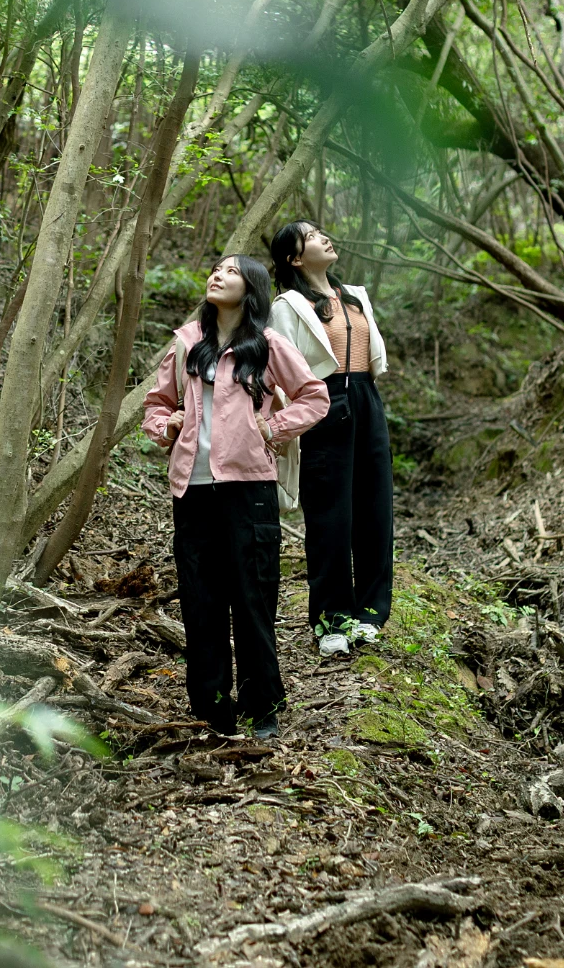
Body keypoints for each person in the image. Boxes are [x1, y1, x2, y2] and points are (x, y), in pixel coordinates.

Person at [143, 255, 330, 738]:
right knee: (200, 601)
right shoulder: (187, 341)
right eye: (215, 269)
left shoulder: (267, 344)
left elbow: (314, 396)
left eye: (230, 271)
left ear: (251, 288)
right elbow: (156, 405)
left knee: (253, 598)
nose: (217, 275)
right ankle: (211, 710)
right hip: (192, 489)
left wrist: (273, 427)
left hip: (250, 489)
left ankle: (262, 705)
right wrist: (167, 426)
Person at [269, 221, 394, 659]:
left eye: (321, 231)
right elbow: (279, 369)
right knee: (330, 516)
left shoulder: (354, 295)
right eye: (311, 236)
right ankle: (332, 619)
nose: (323, 237)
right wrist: (285, 424)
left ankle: (371, 613)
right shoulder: (288, 305)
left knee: (375, 508)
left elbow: (372, 357)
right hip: (322, 403)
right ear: (294, 258)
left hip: (366, 398)